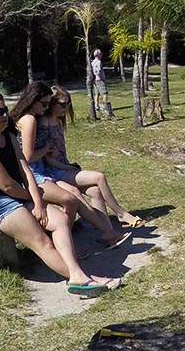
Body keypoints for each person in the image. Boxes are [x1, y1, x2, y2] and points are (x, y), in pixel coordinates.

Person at [0, 94, 120, 297]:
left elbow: (25, 169)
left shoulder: (7, 136)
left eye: (5, 110)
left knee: (60, 219)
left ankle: (78, 275)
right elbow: (7, 186)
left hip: (17, 196)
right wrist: (34, 201)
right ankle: (82, 277)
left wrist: (38, 202)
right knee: (41, 240)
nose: (5, 115)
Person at [11, 82, 130, 249]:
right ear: (33, 100)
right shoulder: (30, 119)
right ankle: (78, 237)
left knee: (80, 192)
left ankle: (105, 233)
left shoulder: (32, 117)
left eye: (48, 104)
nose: (46, 108)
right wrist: (46, 149)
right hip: (32, 174)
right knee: (72, 196)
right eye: (44, 104)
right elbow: (28, 156)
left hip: (41, 170)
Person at [43, 85, 148, 228]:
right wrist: (67, 167)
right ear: (51, 104)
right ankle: (121, 213)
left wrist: (68, 165)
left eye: (68, 104)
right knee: (99, 177)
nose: (66, 108)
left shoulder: (57, 121)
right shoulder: (44, 124)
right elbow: (47, 158)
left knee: (95, 191)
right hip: (54, 171)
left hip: (64, 168)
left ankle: (107, 231)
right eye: (62, 104)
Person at [91, 48, 113, 119]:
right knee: (104, 93)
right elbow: (98, 71)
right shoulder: (98, 62)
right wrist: (100, 78)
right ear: (98, 55)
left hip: (95, 80)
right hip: (99, 80)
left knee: (96, 93)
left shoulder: (93, 62)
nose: (102, 55)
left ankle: (96, 106)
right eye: (100, 54)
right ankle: (105, 107)